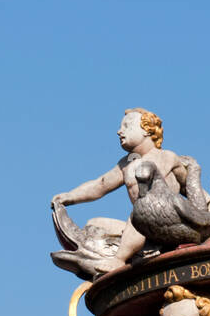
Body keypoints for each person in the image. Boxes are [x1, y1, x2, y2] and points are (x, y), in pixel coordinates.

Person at [52, 110, 185, 273]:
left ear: (146, 130)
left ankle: (118, 259)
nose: (119, 131)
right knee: (94, 224)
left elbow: (191, 187)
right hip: (141, 227)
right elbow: (100, 185)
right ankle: (111, 253)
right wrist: (70, 196)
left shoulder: (167, 157)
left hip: (165, 222)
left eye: (127, 126)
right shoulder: (126, 163)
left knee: (139, 213)